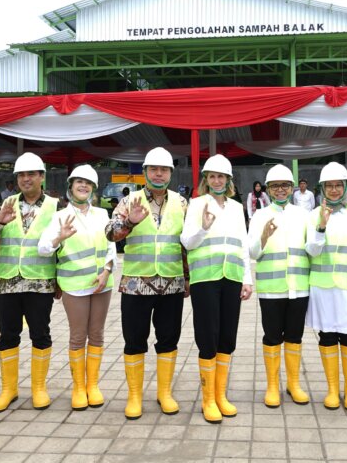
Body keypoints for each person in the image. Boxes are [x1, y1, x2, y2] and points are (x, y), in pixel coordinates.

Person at [106, 147, 189, 419]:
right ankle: (134, 396)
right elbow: (110, 234)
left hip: (171, 284)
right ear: (144, 172)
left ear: (170, 174)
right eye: (153, 169)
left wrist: (188, 279)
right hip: (135, 285)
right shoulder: (130, 201)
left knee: (168, 339)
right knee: (134, 340)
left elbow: (188, 245)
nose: (158, 173)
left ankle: (164, 393)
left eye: (163, 169)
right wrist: (129, 221)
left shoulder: (182, 203)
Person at [0, 152, 59, 413]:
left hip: (40, 282)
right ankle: (8, 390)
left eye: (31, 174)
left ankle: (39, 388)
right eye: (21, 175)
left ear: (41, 177)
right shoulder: (6, 204)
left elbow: (63, 245)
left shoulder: (55, 206)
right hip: (7, 282)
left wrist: (59, 280)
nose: (26, 179)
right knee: (8, 335)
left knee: (40, 333)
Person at [182, 154, 253, 424]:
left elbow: (243, 244)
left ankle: (220, 395)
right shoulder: (197, 204)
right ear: (206, 180)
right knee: (208, 337)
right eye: (212, 176)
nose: (217, 181)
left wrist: (247, 279)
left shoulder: (236, 207)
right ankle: (207, 399)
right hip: (205, 280)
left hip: (231, 277)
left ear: (228, 180)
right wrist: (203, 227)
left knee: (227, 337)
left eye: (221, 176)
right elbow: (187, 242)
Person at [39, 165, 116, 410]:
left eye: (88, 183)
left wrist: (107, 270)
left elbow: (111, 246)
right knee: (77, 336)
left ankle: (92, 385)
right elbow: (42, 249)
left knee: (97, 334)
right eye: (78, 182)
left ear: (93, 188)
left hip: (102, 284)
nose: (83, 186)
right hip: (74, 286)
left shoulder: (103, 215)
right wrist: (58, 238)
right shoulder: (60, 216)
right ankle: (78, 387)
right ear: (70, 186)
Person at [306, 162, 347, 412]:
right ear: (322, 188)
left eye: (338, 185)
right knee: (327, 335)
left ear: (346, 186)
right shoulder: (314, 215)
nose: (334, 190)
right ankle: (332, 390)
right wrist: (321, 227)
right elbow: (311, 250)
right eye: (329, 186)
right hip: (323, 287)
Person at [247, 165, 310, 408]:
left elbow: (313, 249)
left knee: (295, 336)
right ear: (268, 189)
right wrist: (263, 236)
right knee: (272, 336)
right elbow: (252, 253)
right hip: (271, 289)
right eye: (275, 186)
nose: (280, 190)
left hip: (299, 287)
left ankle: (293, 384)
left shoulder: (305, 214)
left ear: (292, 187)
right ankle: (272, 385)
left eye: (285, 185)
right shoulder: (260, 216)